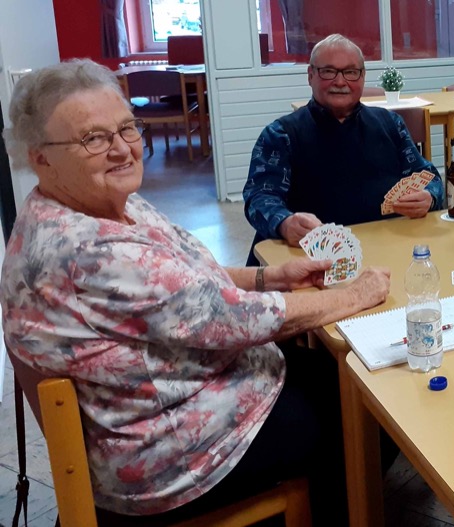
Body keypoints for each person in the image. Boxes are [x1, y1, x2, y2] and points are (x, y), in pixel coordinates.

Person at [0, 59, 392, 524]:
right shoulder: (90, 250)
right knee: (370, 408)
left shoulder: (86, 203)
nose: (122, 149)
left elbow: (185, 278)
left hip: (175, 403)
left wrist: (273, 277)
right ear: (40, 156)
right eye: (93, 138)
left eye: (127, 128)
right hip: (177, 454)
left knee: (336, 373)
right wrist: (355, 295)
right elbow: (236, 319)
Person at [243, 33, 444, 264]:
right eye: (328, 71)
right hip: (308, 260)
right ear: (310, 75)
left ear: (363, 76)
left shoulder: (391, 124)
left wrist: (429, 197)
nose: (340, 82)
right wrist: (284, 223)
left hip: (384, 252)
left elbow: (429, 177)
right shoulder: (281, 135)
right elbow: (259, 198)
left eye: (351, 72)